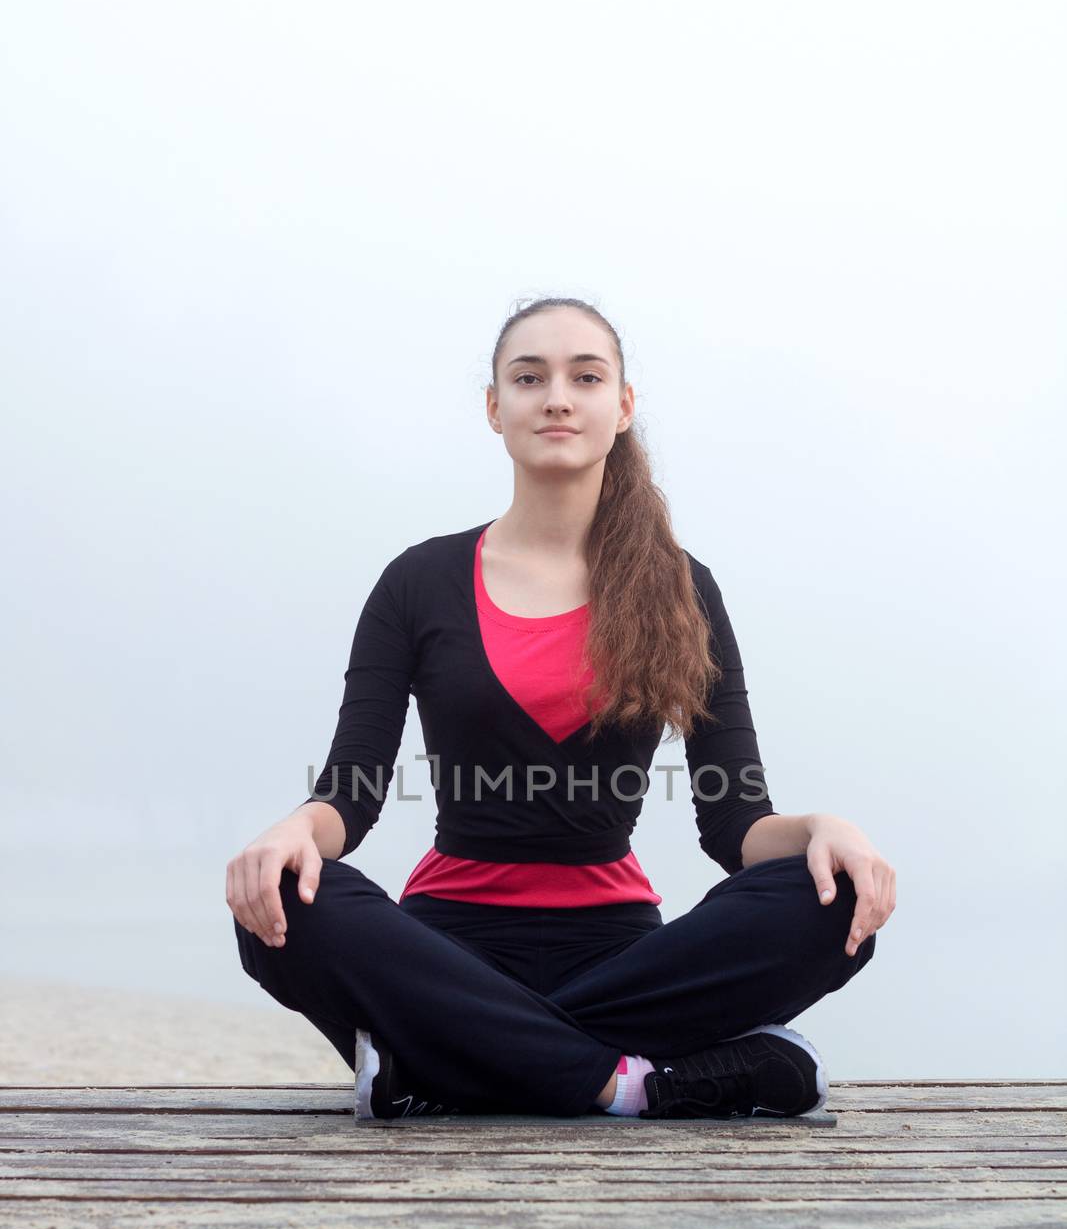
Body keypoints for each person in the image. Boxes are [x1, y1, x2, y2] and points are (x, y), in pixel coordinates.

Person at [227, 296, 893, 1121]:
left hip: (618, 949)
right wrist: (293, 830)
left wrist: (824, 831)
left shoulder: (683, 589)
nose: (556, 397)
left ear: (622, 408)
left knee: (823, 902)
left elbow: (734, 821)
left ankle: (439, 1060)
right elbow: (352, 792)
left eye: (585, 376)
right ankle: (638, 1083)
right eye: (528, 376)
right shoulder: (418, 581)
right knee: (278, 902)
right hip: (446, 945)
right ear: (493, 408)